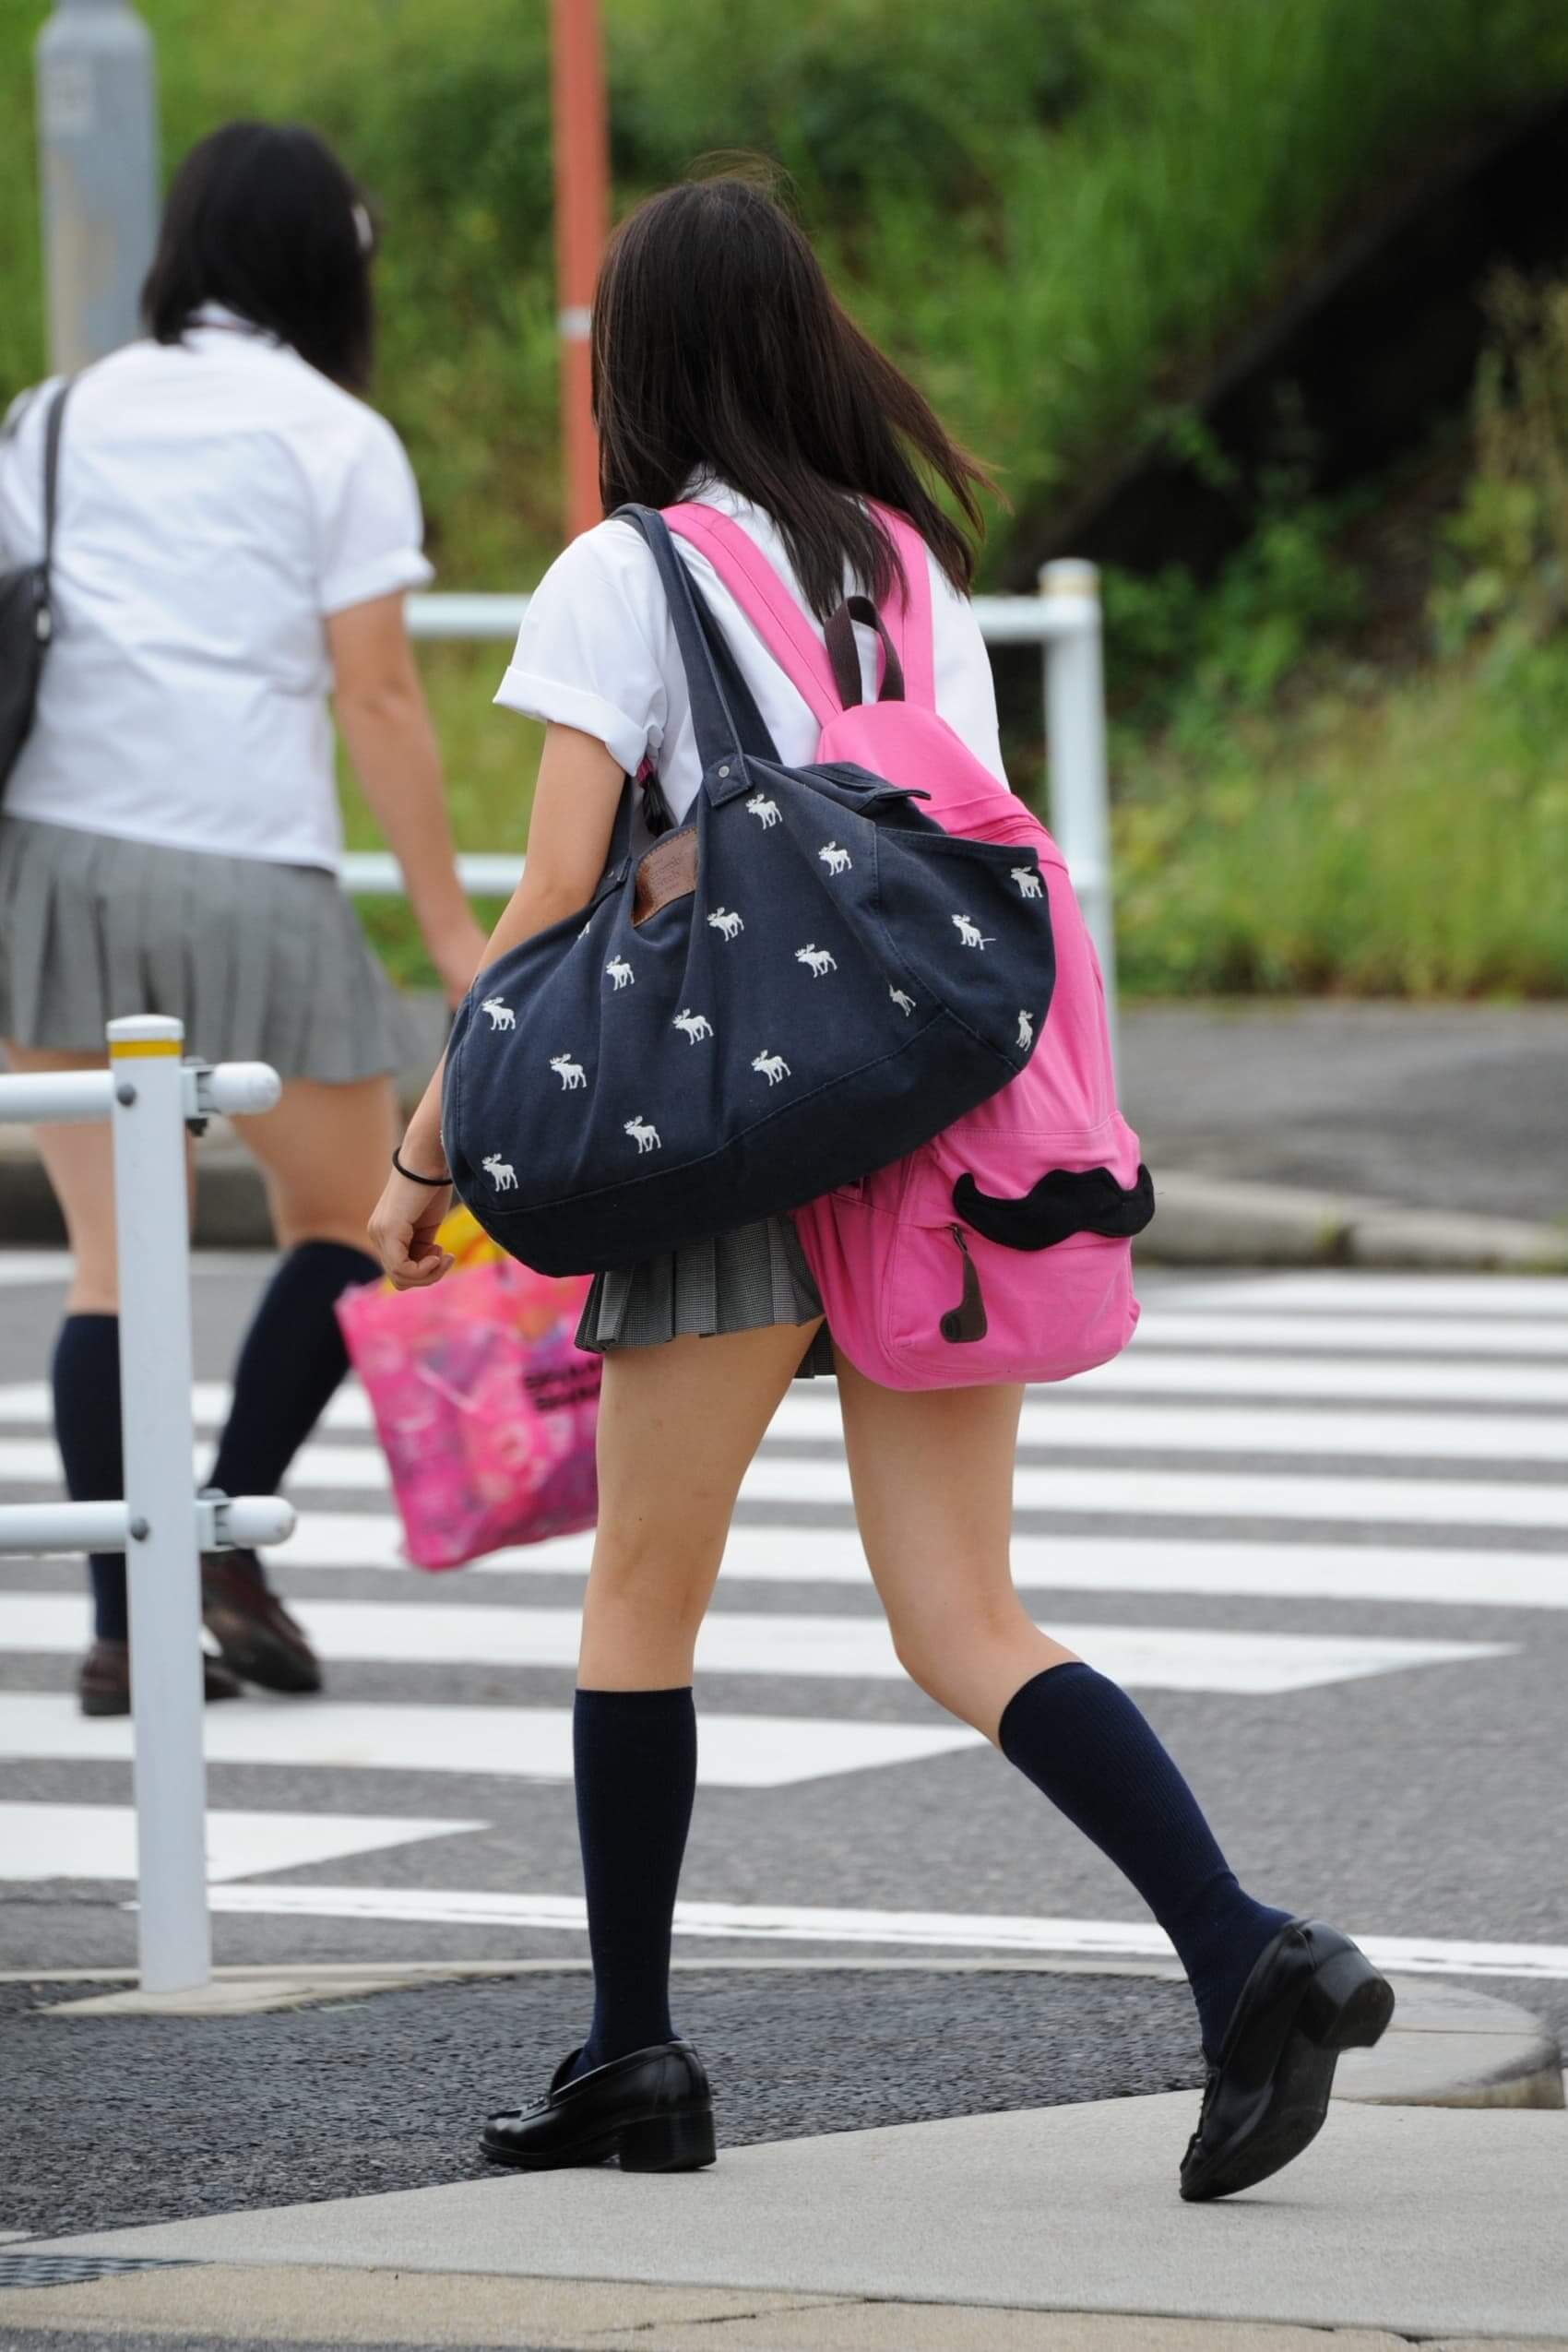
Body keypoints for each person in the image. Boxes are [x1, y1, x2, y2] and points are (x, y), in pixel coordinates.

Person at [368, 172, 1392, 2203]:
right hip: (931, 1138)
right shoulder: (909, 568)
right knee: (960, 1611)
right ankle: (1244, 1953)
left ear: (639, 368)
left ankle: (636, 2055)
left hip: (727, 1137)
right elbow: (956, 844)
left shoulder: (622, 573)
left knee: (639, 1597)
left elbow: (557, 897)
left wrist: (430, 1146)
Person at [0, 122, 486, 1716]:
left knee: (108, 1259)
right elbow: (378, 694)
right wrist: (454, 935)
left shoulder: (54, 414)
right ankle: (222, 1528)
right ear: (330, 264)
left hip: (58, 863)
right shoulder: (336, 435)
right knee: (359, 1215)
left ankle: (126, 1628)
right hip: (248, 870)